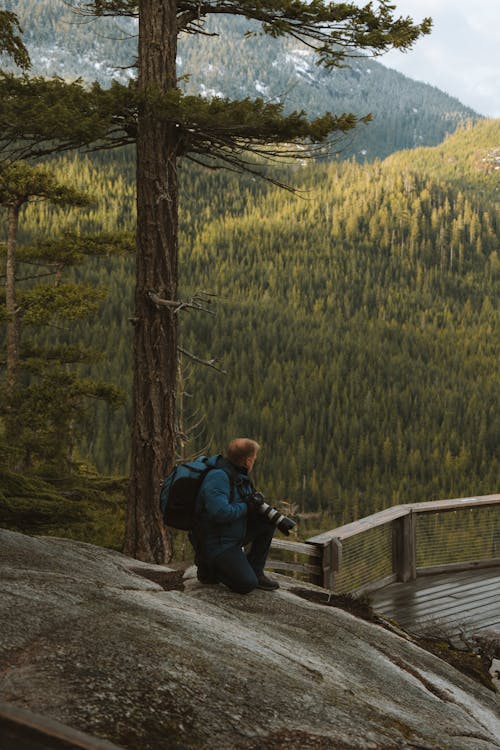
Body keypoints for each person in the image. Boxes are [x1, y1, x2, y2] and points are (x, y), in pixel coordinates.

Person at [190, 438, 280, 594]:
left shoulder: (238, 476)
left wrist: (259, 508)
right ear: (247, 461)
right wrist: (247, 506)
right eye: (254, 459)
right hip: (216, 543)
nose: (254, 462)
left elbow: (242, 505)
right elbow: (220, 513)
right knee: (246, 584)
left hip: (231, 535)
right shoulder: (219, 477)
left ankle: (256, 571)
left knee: (267, 522)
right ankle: (208, 566)